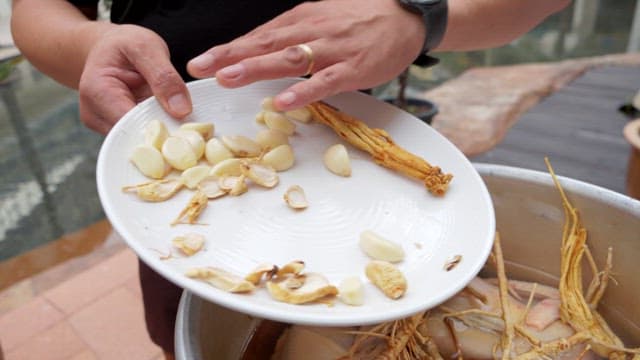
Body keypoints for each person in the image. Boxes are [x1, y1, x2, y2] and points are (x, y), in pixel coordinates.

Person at [10, 0, 570, 357]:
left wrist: (424, 15)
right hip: (182, 180)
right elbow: (37, 9)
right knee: (179, 328)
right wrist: (87, 46)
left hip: (347, 155)